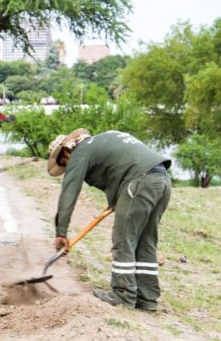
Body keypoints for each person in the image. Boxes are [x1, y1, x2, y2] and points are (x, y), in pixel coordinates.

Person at [48, 129, 172, 312]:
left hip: (140, 182)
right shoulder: (102, 142)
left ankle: (123, 295)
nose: (68, 168)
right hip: (161, 181)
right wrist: (117, 201)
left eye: (65, 164)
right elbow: (119, 170)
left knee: (123, 240)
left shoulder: (79, 153)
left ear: (66, 152)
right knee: (146, 241)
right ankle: (147, 299)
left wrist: (61, 232)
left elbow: (69, 193)